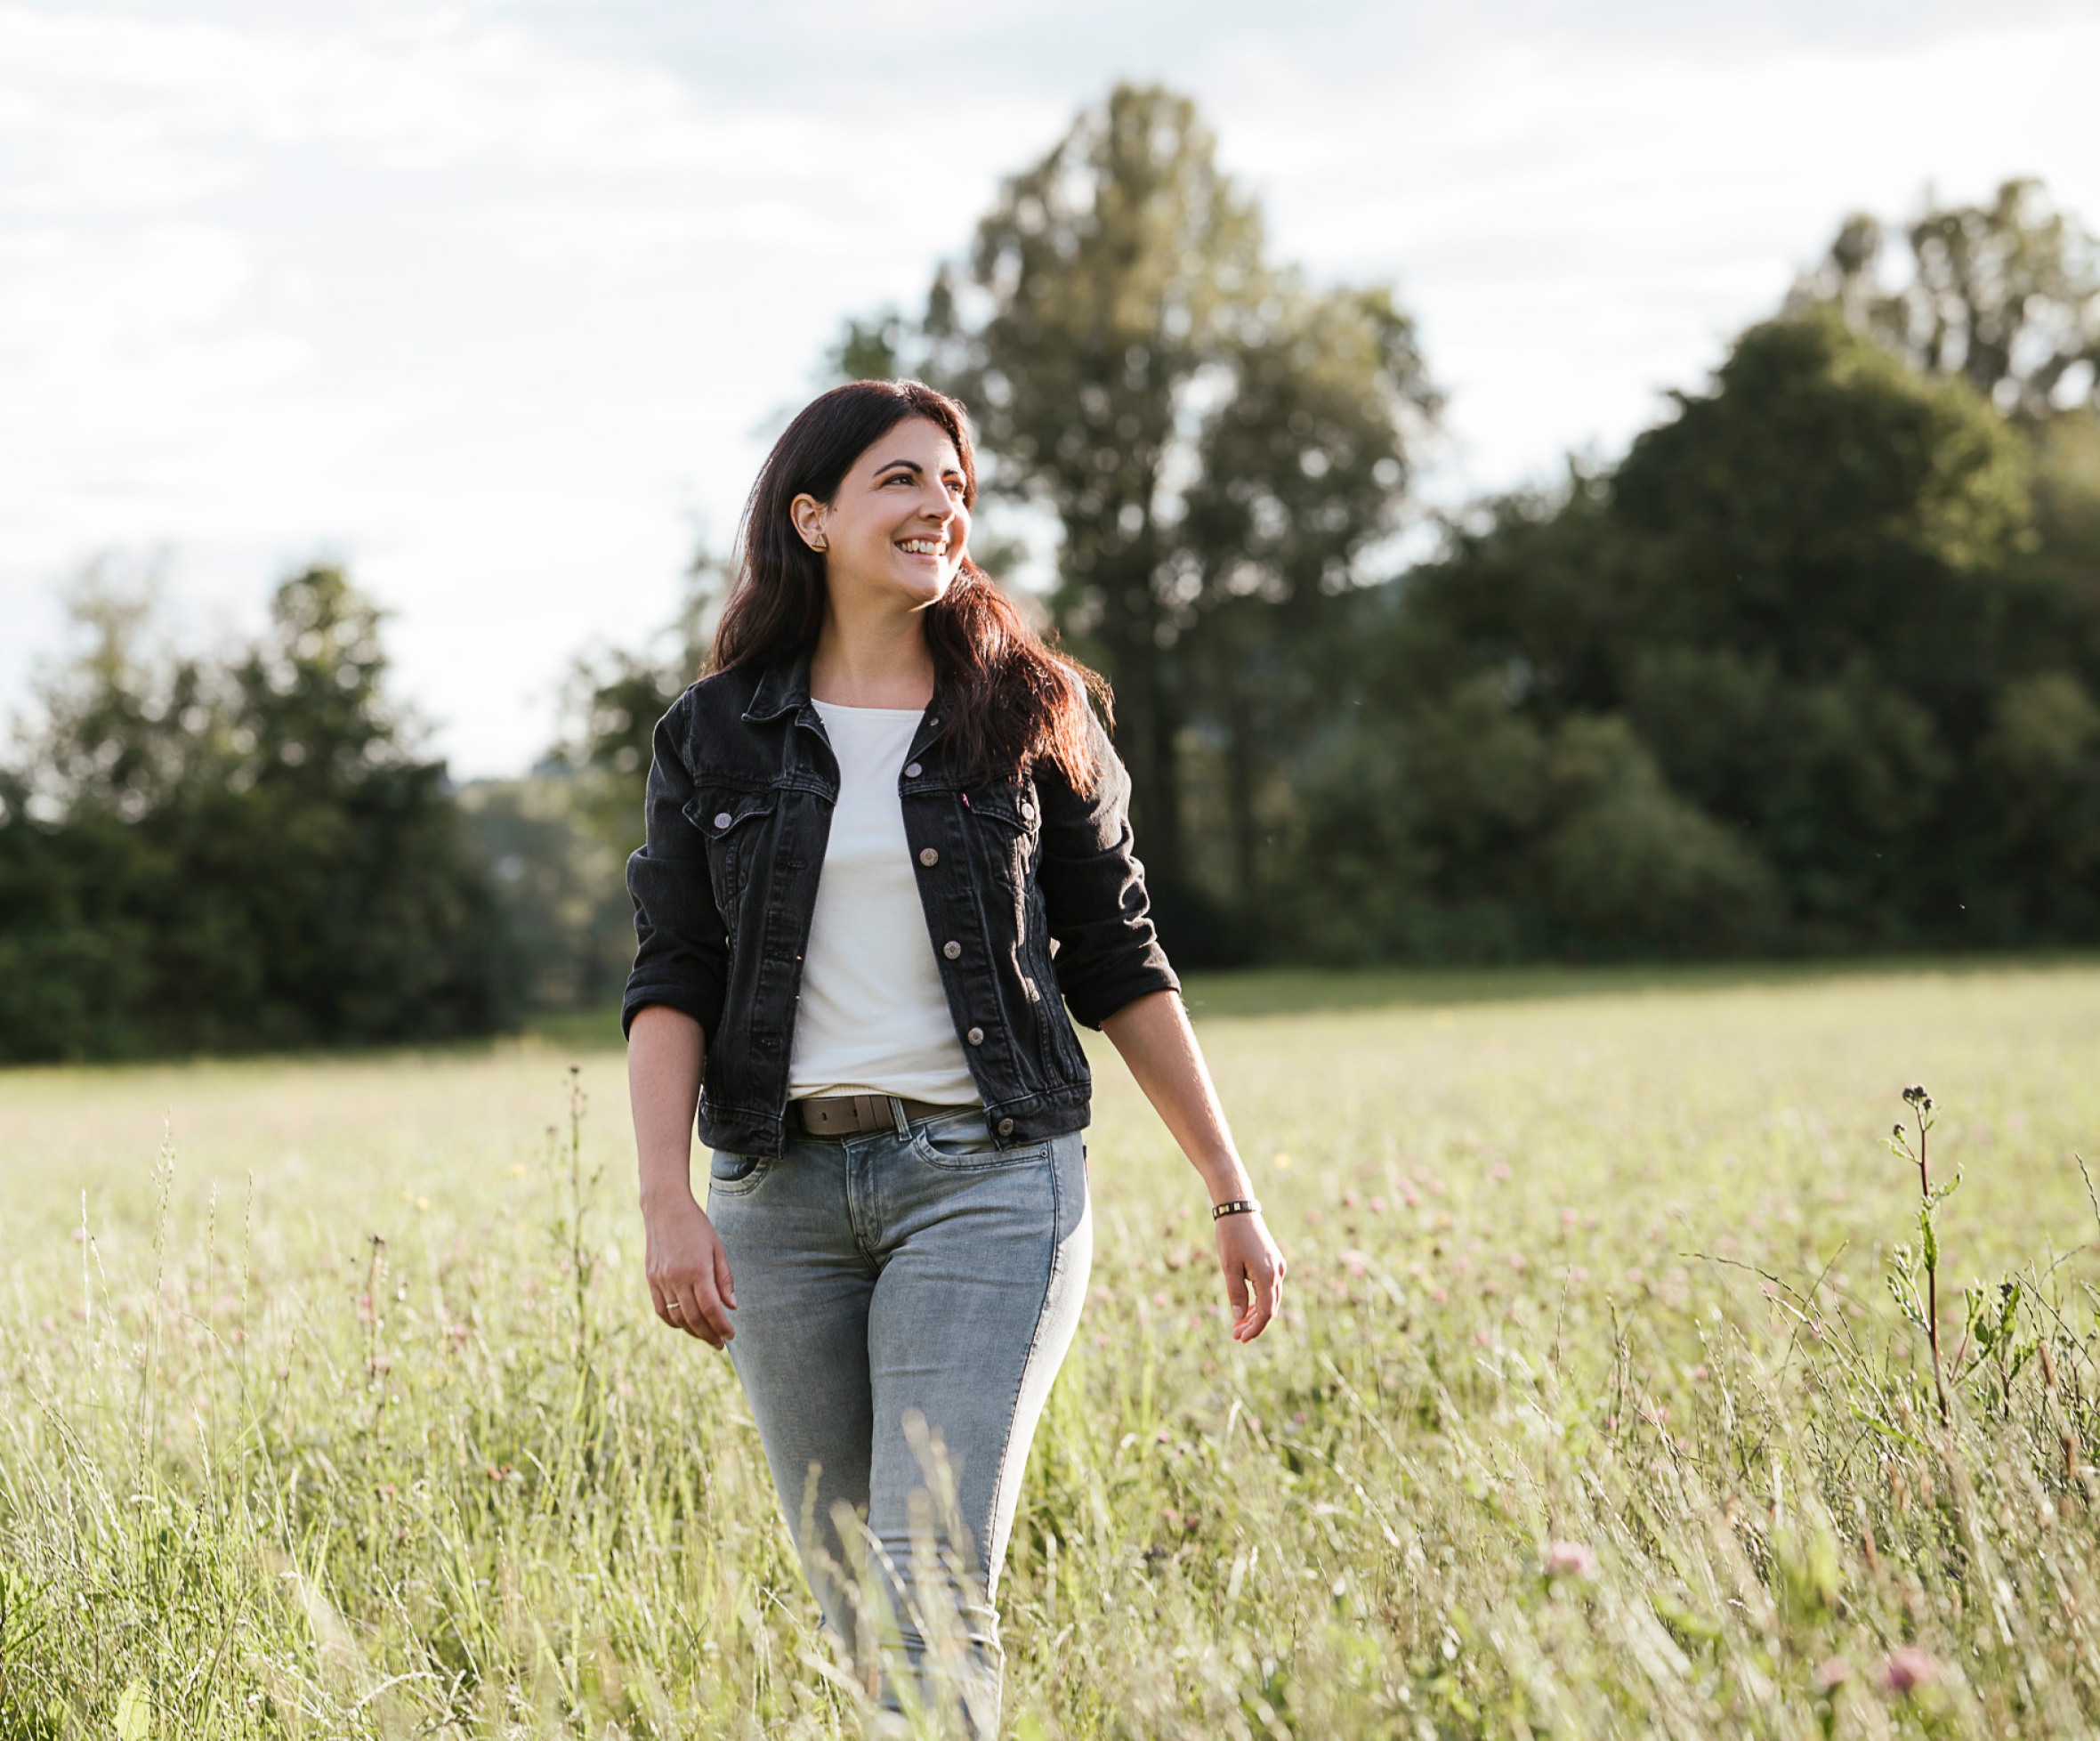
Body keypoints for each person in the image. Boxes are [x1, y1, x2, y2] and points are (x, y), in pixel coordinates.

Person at [623, 379, 1286, 1733]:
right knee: (855, 1600)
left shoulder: (1030, 710)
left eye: (954, 484)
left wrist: (1230, 1187)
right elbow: (673, 971)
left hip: (985, 1186)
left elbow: (1121, 960)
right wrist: (664, 1195)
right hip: (780, 1202)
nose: (941, 506)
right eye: (902, 480)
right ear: (811, 517)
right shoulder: (715, 732)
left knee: (929, 1576)